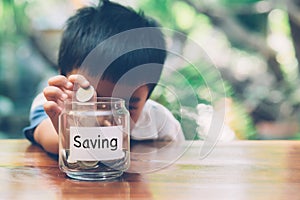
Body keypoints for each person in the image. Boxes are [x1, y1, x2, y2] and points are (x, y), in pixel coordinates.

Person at [23, 0, 184, 155]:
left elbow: (176, 159)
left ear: (147, 97)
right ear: (64, 78)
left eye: (127, 107)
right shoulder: (53, 104)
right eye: (90, 100)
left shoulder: (159, 121)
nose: (107, 119)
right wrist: (75, 132)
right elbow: (47, 137)